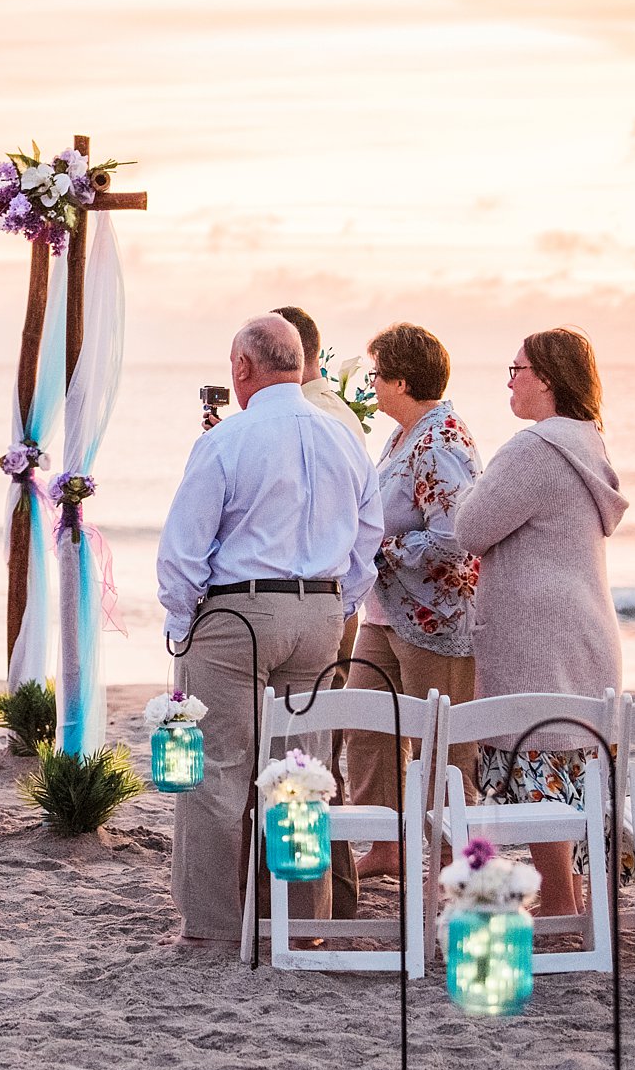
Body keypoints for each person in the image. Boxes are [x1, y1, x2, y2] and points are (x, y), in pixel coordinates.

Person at [156, 314, 381, 946]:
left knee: (218, 771)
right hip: (317, 617)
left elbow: (183, 549)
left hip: (238, 616)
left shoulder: (229, 439)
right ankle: (301, 919)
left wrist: (183, 622)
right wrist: (339, 603)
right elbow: (371, 534)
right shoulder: (343, 437)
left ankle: (214, 926)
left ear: (243, 369)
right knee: (299, 769)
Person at [453, 328, 626, 918]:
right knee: (564, 760)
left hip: (536, 635)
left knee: (537, 759)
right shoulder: (587, 442)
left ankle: (558, 902)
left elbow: (470, 528)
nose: (509, 378)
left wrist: (468, 488)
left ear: (547, 378)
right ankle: (570, 900)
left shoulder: (533, 450)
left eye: (517, 367)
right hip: (583, 625)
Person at [343, 323, 483, 878]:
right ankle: (387, 843)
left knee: (442, 743)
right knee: (365, 720)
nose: (372, 385)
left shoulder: (441, 438)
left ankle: (455, 856)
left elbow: (456, 537)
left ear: (401, 380)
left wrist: (385, 547)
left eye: (377, 374)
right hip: (386, 611)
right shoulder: (402, 435)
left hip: (437, 617)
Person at [270, 305, 371, 916]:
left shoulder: (316, 417)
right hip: (331, 601)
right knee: (314, 751)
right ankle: (329, 895)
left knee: (305, 754)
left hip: (313, 604)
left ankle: (324, 897)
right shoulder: (338, 415)